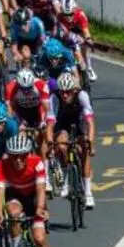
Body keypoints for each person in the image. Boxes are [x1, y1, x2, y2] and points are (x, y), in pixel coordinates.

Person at [51, 72, 97, 208]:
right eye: (63, 92)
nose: (65, 95)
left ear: (75, 90)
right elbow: (49, 123)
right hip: (62, 123)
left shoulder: (82, 96)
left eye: (68, 92)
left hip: (79, 123)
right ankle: (65, 176)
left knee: (84, 151)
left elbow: (90, 123)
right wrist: (50, 143)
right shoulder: (54, 97)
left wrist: (90, 144)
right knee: (62, 146)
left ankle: (88, 192)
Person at [5, 68, 55, 158]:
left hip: (37, 110)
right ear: (18, 84)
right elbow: (10, 109)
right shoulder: (11, 87)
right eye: (23, 89)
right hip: (22, 111)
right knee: (21, 136)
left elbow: (46, 108)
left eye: (29, 88)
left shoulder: (40, 84)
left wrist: (43, 122)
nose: (26, 92)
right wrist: (15, 124)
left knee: (41, 136)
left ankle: (49, 156)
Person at [57, 0, 98, 82]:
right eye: (66, 14)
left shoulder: (80, 15)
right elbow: (60, 34)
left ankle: (89, 68)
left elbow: (86, 31)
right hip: (67, 32)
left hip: (79, 31)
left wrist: (89, 40)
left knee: (85, 47)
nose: (68, 17)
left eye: (70, 14)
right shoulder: (59, 17)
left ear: (74, 11)